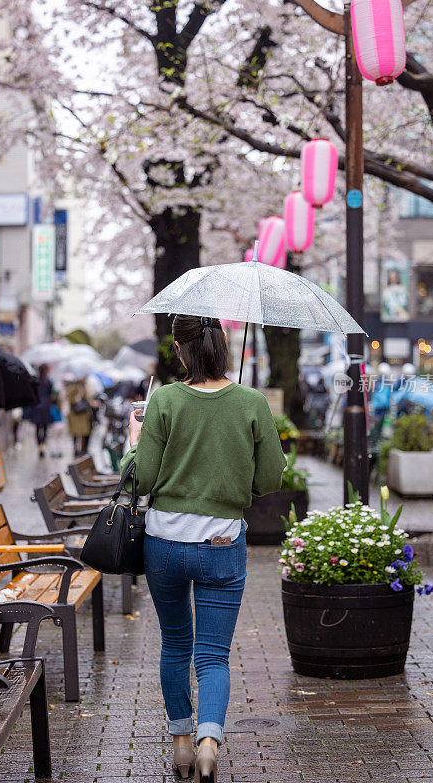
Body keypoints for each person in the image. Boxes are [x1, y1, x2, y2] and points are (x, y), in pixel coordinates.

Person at [120, 315, 286, 783]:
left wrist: (134, 441)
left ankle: (180, 744)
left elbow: (143, 478)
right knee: (213, 656)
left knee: (175, 644)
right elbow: (270, 480)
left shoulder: (166, 400)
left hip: (165, 543)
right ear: (224, 344)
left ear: (179, 349)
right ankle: (210, 742)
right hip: (221, 542)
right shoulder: (251, 402)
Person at [28, 364, 53, 458]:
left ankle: (40, 447)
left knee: (38, 428)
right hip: (46, 407)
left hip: (36, 407)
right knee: (45, 429)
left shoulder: (35, 381)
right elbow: (51, 394)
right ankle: (43, 446)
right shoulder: (48, 381)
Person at [66, 377, 94, 457]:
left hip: (83, 414)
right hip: (75, 414)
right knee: (75, 433)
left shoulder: (84, 386)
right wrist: (78, 396)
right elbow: (70, 399)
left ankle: (83, 449)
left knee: (85, 432)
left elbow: (88, 398)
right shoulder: (72, 386)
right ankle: (76, 450)